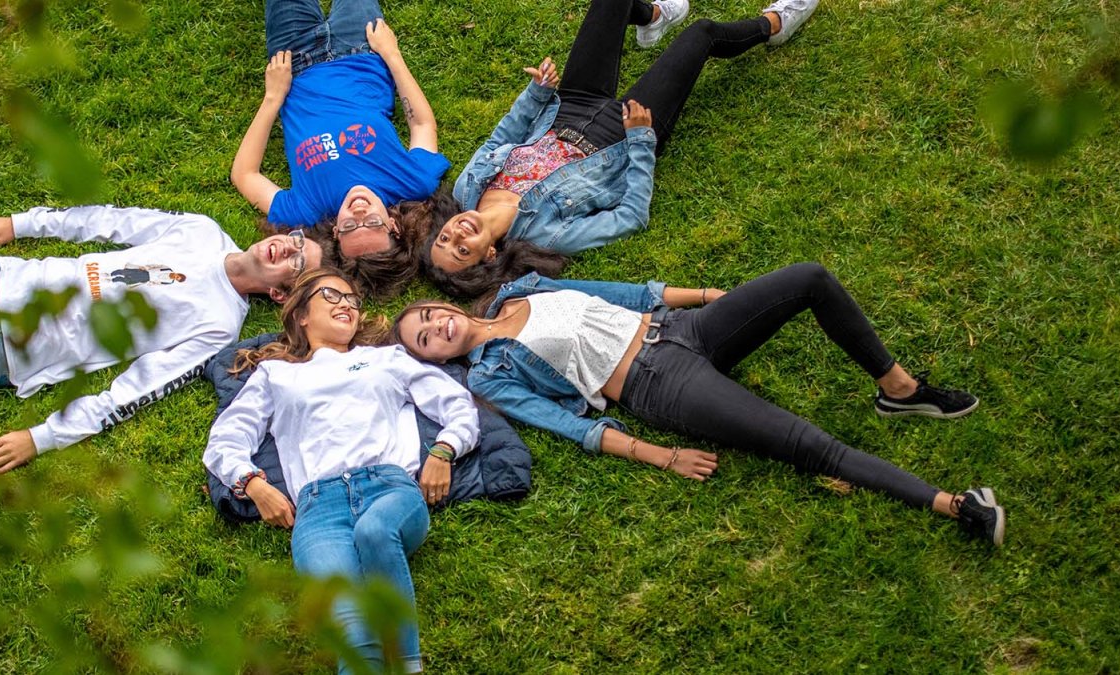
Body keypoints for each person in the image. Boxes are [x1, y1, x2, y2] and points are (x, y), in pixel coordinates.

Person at [393, 264, 1007, 546]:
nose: (434, 328)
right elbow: (568, 426)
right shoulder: (492, 376)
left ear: (442, 306)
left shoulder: (521, 288)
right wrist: (662, 456)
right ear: (434, 359)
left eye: (427, 317)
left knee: (809, 279)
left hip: (682, 329)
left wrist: (719, 298)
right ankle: (955, 505)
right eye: (423, 340)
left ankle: (900, 390)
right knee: (805, 444)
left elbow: (631, 293)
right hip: (657, 384)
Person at [422, 0, 819, 298]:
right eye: (462, 250)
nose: (457, 234)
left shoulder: (467, 190)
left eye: (444, 239)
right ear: (489, 255)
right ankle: (775, 23)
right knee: (702, 34)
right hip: (619, 135)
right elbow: (631, 218)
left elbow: (500, 138)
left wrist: (537, 92)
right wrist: (642, 139)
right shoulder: (547, 236)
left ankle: (653, 17)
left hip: (568, 107)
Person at [204, 268, 479, 673]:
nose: (346, 304)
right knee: (352, 631)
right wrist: (253, 484)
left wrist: (443, 450)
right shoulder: (275, 375)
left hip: (389, 488)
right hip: (318, 511)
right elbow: (226, 439)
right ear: (301, 315)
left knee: (375, 531)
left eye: (352, 299)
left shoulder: (385, 359)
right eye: (332, 295)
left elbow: (456, 404)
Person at [0, 205, 323, 473]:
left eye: (298, 262)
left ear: (279, 294)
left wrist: (43, 437)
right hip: (5, 276)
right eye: (296, 240)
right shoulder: (203, 231)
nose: (288, 248)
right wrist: (19, 223)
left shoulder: (220, 326)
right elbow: (109, 219)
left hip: (8, 343)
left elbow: (136, 390)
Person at [231, 0, 447, 275]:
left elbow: (245, 175)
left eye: (350, 227)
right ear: (393, 225)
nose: (359, 213)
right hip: (363, 49)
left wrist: (273, 97)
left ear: (335, 233)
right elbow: (422, 125)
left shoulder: (306, 211)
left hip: (293, 60)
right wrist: (392, 55)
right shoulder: (413, 183)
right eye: (373, 223)